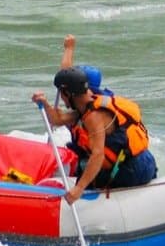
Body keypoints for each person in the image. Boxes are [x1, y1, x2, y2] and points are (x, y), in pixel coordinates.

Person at [32, 66, 157, 204]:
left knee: (85, 173)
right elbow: (58, 120)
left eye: (62, 93)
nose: (61, 98)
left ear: (69, 93)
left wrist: (78, 188)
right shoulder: (88, 101)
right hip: (146, 161)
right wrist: (44, 103)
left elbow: (98, 154)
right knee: (83, 168)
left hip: (132, 171)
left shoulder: (94, 116)